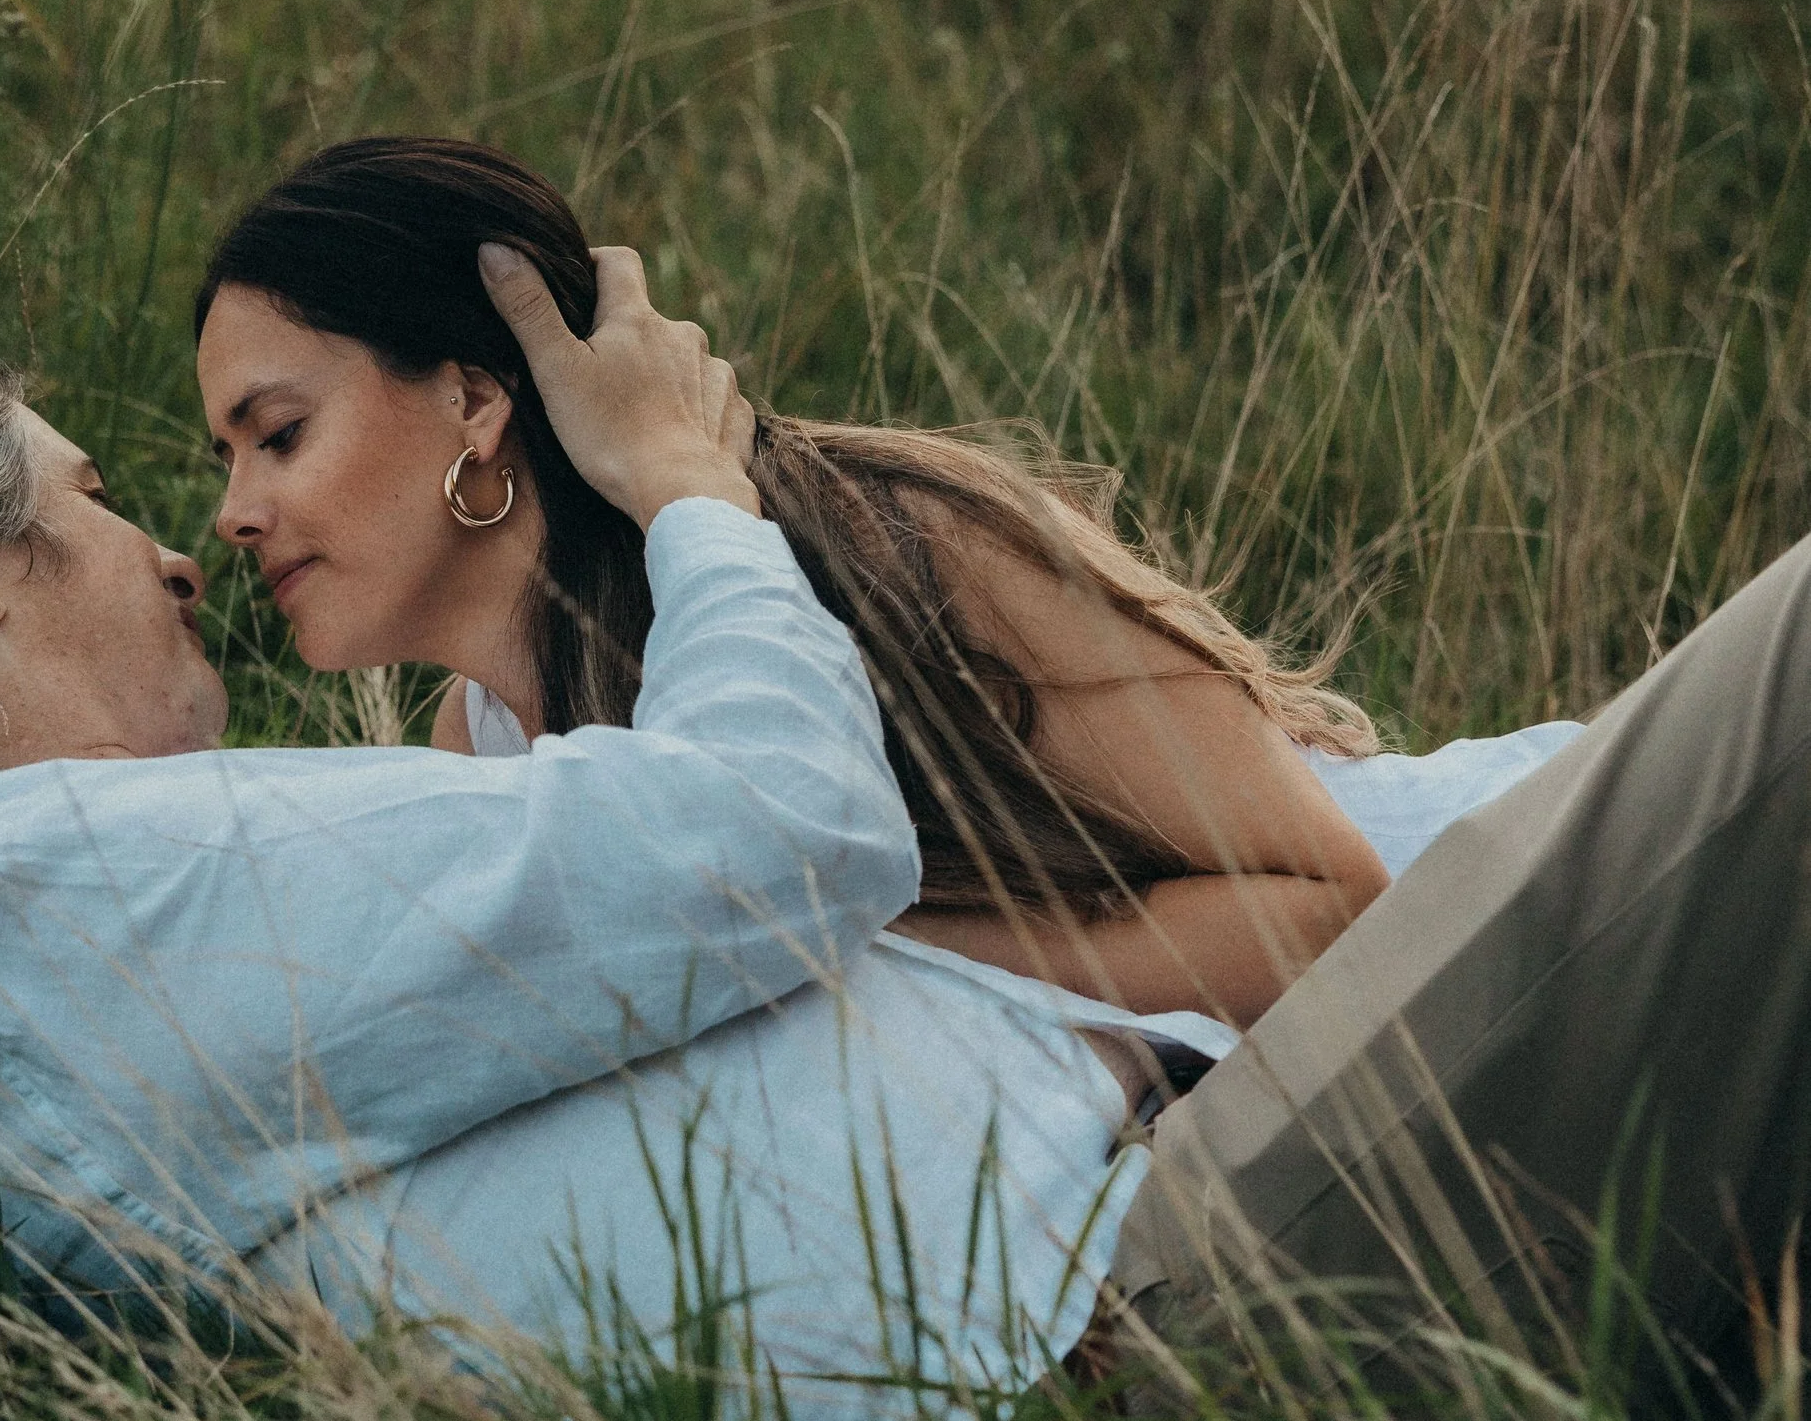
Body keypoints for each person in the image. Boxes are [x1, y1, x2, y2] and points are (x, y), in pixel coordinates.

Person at [0, 277, 1195, 1421]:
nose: (180, 553)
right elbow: (787, 819)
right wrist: (689, 485)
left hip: (1055, 1318)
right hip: (1112, 1300)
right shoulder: (62, 898)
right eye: (93, 493)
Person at [194, 136, 1583, 1034]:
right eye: (228, 456)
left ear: (474, 400)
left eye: (280, 434)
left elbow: (1332, 906)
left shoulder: (894, 543)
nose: (233, 513)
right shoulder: (486, 741)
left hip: (1523, 930)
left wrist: (841, 951)